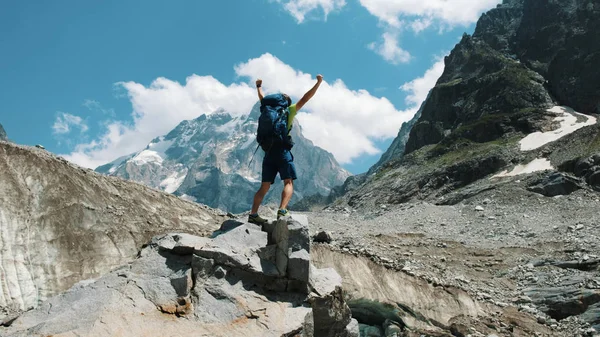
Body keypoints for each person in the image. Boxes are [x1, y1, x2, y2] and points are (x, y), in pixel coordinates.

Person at [248, 74, 324, 224]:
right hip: (282, 151)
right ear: (286, 103)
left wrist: (258, 87)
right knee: (288, 182)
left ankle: (253, 214)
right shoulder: (289, 110)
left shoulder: (267, 108)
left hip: (268, 152)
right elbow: (306, 98)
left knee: (264, 186)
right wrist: (318, 83)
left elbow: (262, 97)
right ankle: (282, 210)